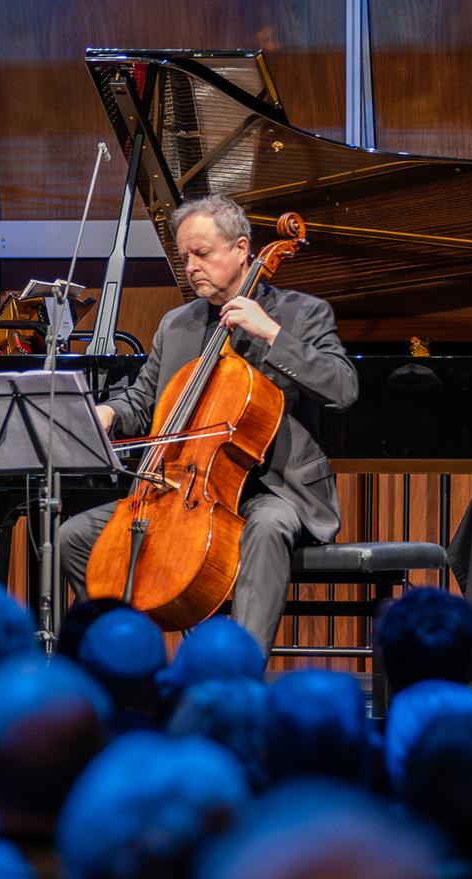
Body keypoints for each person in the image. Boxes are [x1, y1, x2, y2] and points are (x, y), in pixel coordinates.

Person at [58, 194, 357, 652]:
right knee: (75, 537)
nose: (191, 266)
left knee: (270, 527)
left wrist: (271, 334)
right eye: (184, 257)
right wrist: (110, 412)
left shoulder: (302, 313)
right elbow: (143, 400)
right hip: (183, 490)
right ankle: (129, 662)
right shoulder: (177, 324)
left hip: (271, 490)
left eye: (202, 253)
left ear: (241, 249)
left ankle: (239, 673)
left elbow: (342, 389)